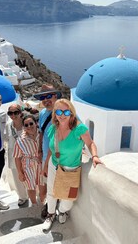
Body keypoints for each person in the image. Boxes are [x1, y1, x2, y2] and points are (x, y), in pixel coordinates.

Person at [42, 98, 102, 232]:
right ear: (55, 114)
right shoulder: (53, 128)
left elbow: (90, 143)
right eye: (59, 111)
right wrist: (46, 166)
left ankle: (62, 211)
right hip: (54, 166)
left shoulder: (79, 129)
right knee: (51, 193)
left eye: (66, 112)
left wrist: (95, 156)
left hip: (71, 170)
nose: (62, 115)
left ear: (72, 113)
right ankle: (50, 215)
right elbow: (52, 149)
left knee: (69, 198)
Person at [33, 84, 62, 217]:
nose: (46, 99)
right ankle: (50, 206)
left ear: (56, 96)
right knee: (49, 183)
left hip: (62, 157)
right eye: (43, 97)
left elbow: (79, 130)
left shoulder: (64, 112)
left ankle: (59, 207)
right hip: (46, 156)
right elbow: (41, 133)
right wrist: (39, 151)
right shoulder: (43, 113)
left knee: (60, 183)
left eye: (49, 96)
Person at [13, 114, 41, 206]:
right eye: (26, 125)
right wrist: (20, 173)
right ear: (24, 127)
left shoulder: (42, 135)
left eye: (31, 123)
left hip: (41, 164)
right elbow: (17, 157)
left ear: (36, 123)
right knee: (31, 186)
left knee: (42, 185)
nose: (29, 126)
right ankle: (34, 204)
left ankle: (42, 202)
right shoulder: (20, 140)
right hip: (28, 165)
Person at [5, 104, 28, 206]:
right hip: (14, 156)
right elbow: (6, 138)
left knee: (31, 177)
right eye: (10, 113)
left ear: (21, 113)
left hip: (27, 155)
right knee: (18, 177)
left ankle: (34, 196)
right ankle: (22, 197)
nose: (13, 115)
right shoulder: (8, 126)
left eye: (16, 112)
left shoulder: (27, 124)